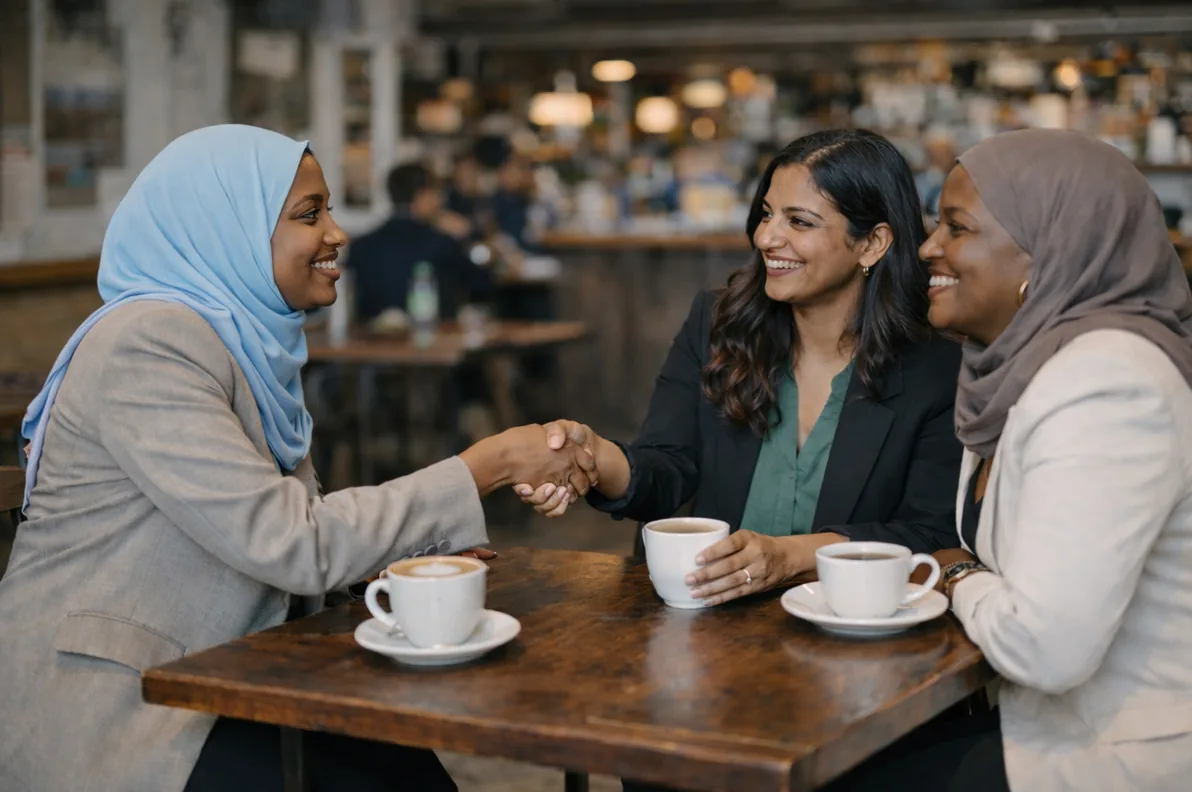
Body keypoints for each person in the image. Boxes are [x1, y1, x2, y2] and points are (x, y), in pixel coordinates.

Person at [0, 125, 595, 792]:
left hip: (231, 668)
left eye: (330, 209)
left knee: (411, 772)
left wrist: (400, 562)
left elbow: (278, 536)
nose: (338, 233)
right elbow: (288, 540)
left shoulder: (243, 343)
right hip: (118, 704)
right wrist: (487, 465)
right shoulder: (148, 343)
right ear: (227, 226)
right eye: (310, 214)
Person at [840, 128, 1192, 791]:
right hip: (1042, 722)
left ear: (1049, 251)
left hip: (1122, 753)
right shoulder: (1022, 372)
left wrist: (957, 576)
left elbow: (1045, 648)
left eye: (957, 226)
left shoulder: (1108, 383)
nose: (927, 248)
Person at [520, 128, 963, 604]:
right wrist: (593, 458)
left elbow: (929, 534)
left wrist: (791, 556)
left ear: (872, 243)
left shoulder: (934, 366)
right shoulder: (715, 326)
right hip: (712, 624)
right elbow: (668, 469)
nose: (767, 237)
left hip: (850, 632)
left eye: (800, 222)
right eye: (768, 214)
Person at [349, 162, 493, 323]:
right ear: (423, 195)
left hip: (368, 342)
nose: (440, 201)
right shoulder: (441, 243)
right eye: (437, 193)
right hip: (432, 340)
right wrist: (467, 236)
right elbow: (482, 284)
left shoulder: (361, 246)